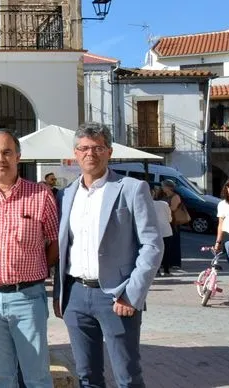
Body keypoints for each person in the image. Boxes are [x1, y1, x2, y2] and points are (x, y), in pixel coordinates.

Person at [54, 123, 162, 388]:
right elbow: (62, 248)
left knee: (127, 376)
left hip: (117, 295)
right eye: (84, 148)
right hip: (75, 295)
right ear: (75, 153)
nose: (90, 153)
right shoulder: (65, 195)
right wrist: (60, 294)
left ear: (109, 152)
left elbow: (152, 245)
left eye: (98, 148)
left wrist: (132, 294)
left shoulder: (132, 188)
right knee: (86, 376)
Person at [0, 129, 58, 388]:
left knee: (37, 377)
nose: (0, 158)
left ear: (18, 156)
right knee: (2, 377)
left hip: (27, 298)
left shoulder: (41, 195)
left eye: (7, 152)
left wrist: (36, 269)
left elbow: (55, 242)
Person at [158, 180, 183, 269]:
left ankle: (175, 263)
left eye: (163, 186)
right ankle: (165, 262)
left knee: (174, 242)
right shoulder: (164, 196)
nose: (162, 188)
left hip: (173, 222)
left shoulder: (175, 196)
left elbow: (173, 208)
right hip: (165, 221)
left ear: (169, 187)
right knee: (166, 243)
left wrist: (163, 208)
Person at [151, 187, 174, 276]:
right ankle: (166, 270)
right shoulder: (165, 204)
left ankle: (156, 271)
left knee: (155, 252)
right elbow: (170, 219)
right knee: (166, 252)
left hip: (154, 232)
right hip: (166, 231)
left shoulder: (147, 204)